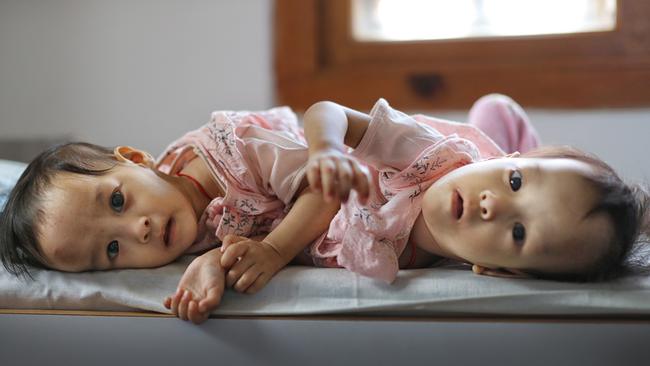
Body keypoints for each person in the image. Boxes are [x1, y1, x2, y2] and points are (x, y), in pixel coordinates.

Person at [0, 95, 647, 324]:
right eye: (111, 251)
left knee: (561, 190)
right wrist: (329, 146)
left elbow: (272, 236)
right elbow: (328, 118)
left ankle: (512, 145)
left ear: (501, 273)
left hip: (301, 169)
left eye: (516, 232)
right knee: (492, 150)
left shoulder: (239, 160)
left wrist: (237, 260)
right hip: (318, 156)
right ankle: (505, 138)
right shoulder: (429, 157)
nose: (135, 227)